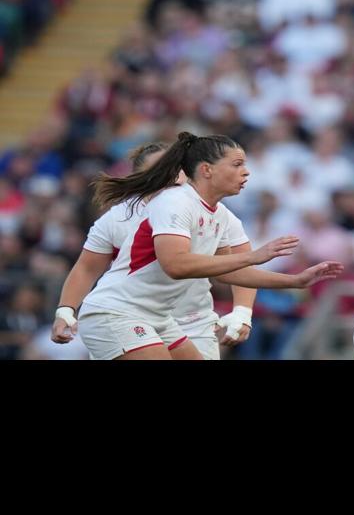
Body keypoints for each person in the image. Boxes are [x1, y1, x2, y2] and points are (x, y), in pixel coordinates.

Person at [73, 132, 342, 360]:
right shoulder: (175, 202)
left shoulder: (220, 214)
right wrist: (253, 257)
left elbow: (229, 273)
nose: (246, 171)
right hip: (118, 311)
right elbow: (176, 265)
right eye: (236, 164)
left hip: (157, 317)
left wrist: (295, 281)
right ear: (206, 170)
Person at [52, 141, 260, 360]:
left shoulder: (217, 213)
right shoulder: (117, 219)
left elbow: (241, 263)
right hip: (130, 317)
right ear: (141, 178)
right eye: (158, 171)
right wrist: (66, 310)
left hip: (192, 321)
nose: (168, 177)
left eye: (173, 170)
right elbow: (86, 268)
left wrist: (242, 312)